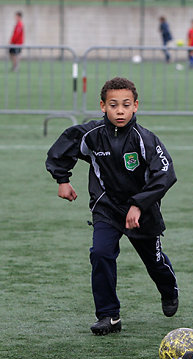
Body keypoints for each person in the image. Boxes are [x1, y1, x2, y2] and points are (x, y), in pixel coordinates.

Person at [46, 77, 178, 335]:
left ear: (135, 106)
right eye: (114, 104)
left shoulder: (145, 139)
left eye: (126, 105)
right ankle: (109, 315)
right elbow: (63, 148)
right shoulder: (92, 135)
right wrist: (63, 180)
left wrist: (139, 205)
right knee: (101, 253)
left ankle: (168, 288)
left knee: (155, 262)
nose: (120, 110)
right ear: (103, 106)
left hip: (142, 211)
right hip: (106, 208)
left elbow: (165, 173)